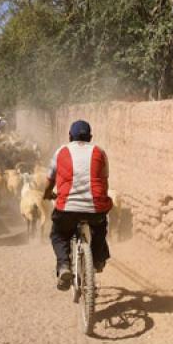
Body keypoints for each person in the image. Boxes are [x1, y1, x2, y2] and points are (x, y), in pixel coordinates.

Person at [43, 120, 112, 291]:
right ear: (90, 137)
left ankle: (64, 266)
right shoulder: (100, 152)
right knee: (100, 226)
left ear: (69, 136)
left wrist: (46, 194)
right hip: (95, 207)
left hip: (67, 208)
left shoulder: (62, 151)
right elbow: (104, 181)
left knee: (58, 235)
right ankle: (97, 259)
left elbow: (50, 179)